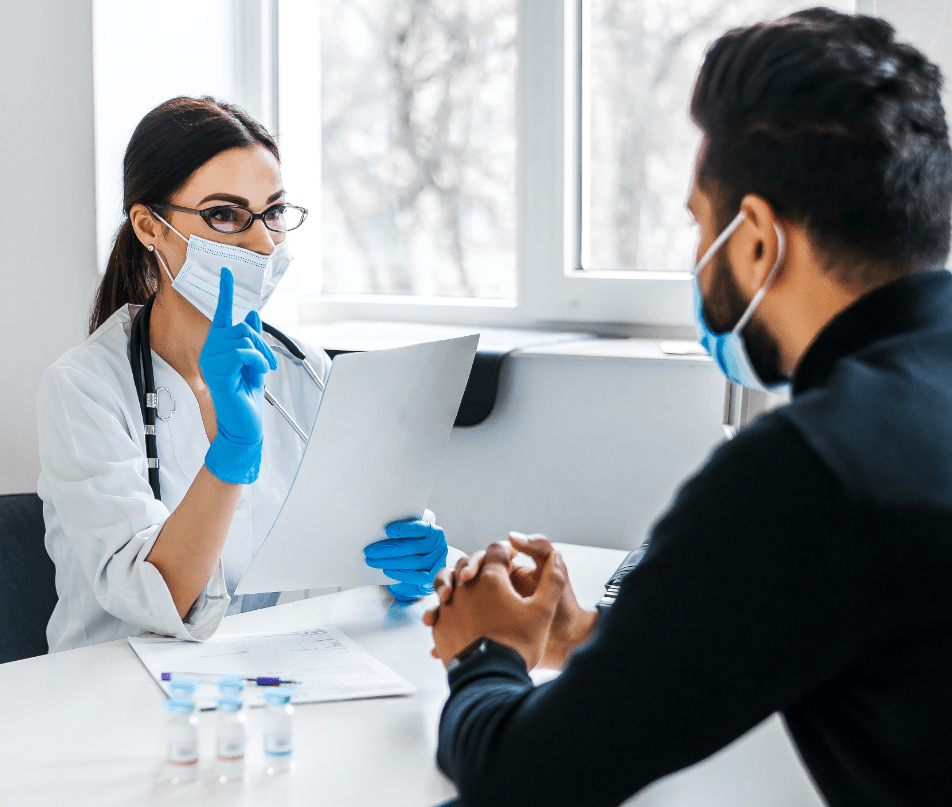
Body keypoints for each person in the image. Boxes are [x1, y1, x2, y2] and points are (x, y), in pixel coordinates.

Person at [425, 9, 952, 806]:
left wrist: (484, 654)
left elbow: (523, 780)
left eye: (698, 226)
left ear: (755, 243)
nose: (697, 260)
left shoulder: (812, 468)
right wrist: (587, 638)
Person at [38, 96, 447, 653]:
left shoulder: (305, 369)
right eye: (224, 215)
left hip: (273, 669)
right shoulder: (84, 389)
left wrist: (403, 561)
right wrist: (229, 455)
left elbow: (337, 548)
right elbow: (156, 597)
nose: (262, 242)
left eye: (274, 212)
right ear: (149, 227)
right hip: (112, 682)